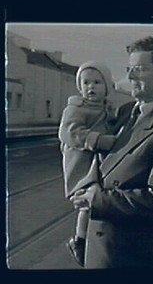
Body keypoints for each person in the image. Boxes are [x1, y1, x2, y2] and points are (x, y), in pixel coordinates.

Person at [70, 35, 153, 268]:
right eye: (129, 69)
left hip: (130, 257)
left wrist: (96, 199)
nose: (129, 77)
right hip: (100, 249)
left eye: (139, 69)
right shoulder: (128, 111)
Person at [58, 61, 120, 267]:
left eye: (96, 82)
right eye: (85, 83)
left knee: (97, 198)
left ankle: (90, 237)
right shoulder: (75, 108)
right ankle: (80, 240)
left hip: (95, 161)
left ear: (107, 87)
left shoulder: (106, 108)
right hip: (80, 161)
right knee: (86, 200)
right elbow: (69, 132)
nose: (90, 87)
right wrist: (99, 140)